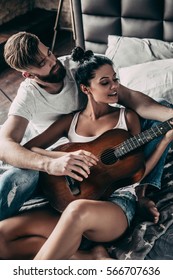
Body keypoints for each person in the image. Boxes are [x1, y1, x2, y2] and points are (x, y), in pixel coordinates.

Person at [1, 47, 173, 260]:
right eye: (105, 83)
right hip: (69, 201)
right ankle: (87, 256)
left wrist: (165, 140)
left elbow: (139, 169)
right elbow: (28, 148)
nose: (115, 86)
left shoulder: (127, 117)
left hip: (114, 206)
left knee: (77, 211)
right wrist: (59, 158)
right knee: (2, 235)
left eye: (115, 79)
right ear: (85, 89)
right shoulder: (69, 121)